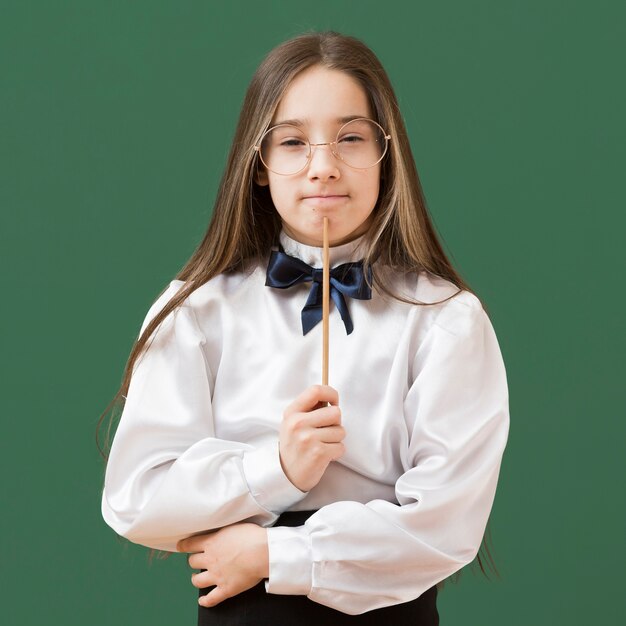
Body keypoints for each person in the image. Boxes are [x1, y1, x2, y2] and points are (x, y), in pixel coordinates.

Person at [99, 30, 510, 625]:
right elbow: (136, 499)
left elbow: (445, 524)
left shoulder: (446, 320)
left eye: (350, 138)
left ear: (386, 154)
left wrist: (274, 553)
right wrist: (278, 469)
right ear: (259, 165)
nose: (323, 166)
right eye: (292, 142)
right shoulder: (197, 310)